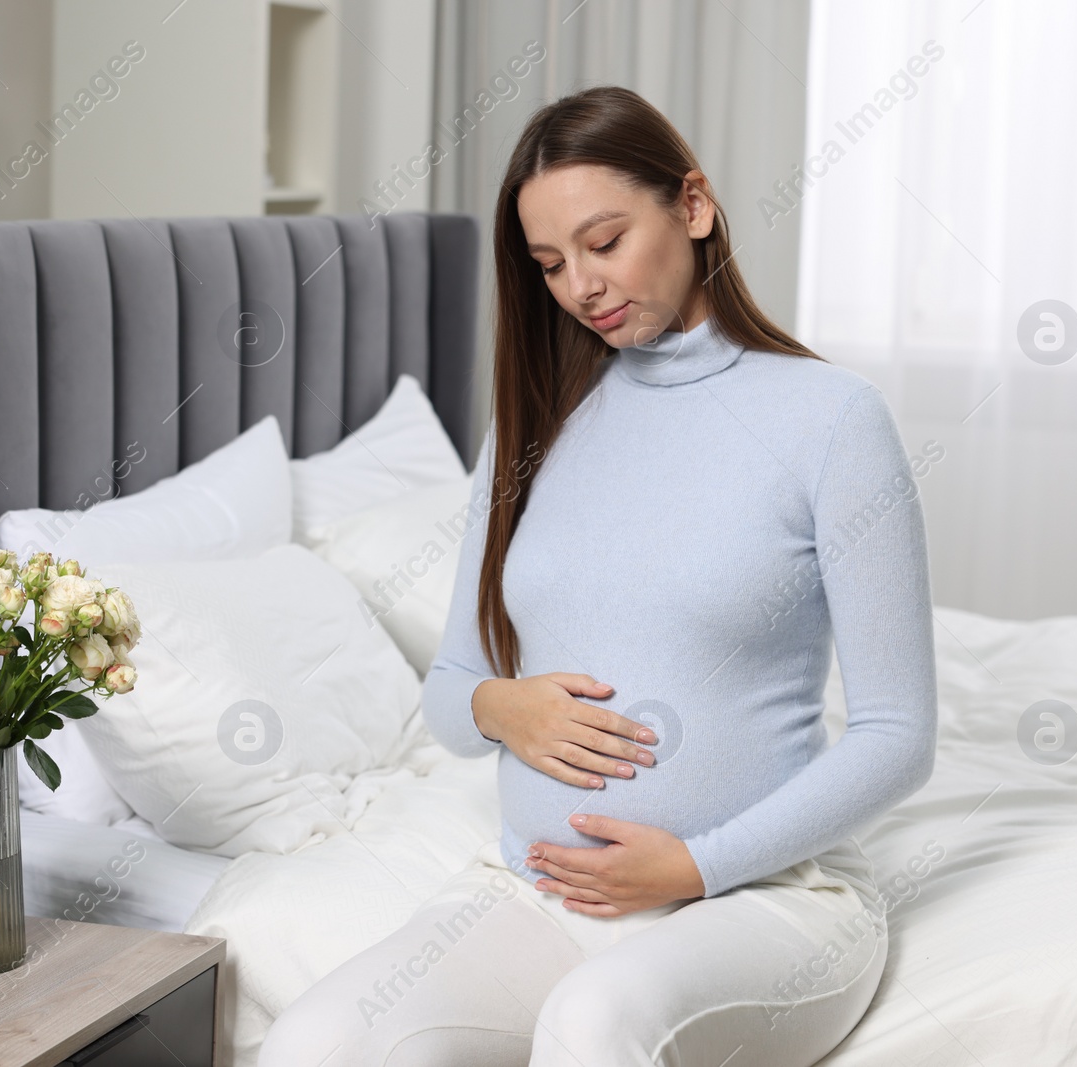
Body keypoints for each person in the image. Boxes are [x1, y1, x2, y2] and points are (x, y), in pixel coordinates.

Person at [259, 83, 938, 1067]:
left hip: (765, 900)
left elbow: (897, 736)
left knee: (593, 1024)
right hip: (539, 895)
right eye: (548, 264)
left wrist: (695, 864)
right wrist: (505, 706)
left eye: (604, 240)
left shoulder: (830, 417)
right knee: (312, 1040)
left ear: (693, 207)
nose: (580, 284)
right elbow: (451, 694)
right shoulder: (534, 425)